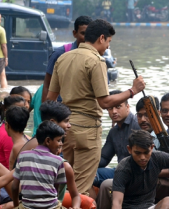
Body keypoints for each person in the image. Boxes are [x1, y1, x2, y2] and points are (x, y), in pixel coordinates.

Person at [47, 19, 145, 195]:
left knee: (64, 180)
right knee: (82, 187)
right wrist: (133, 90)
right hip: (87, 129)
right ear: (101, 38)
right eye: (108, 42)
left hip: (65, 129)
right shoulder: (96, 61)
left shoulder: (62, 58)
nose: (107, 47)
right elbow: (105, 102)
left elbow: (50, 99)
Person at [93, 90, 140, 191]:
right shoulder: (113, 132)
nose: (114, 111)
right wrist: (84, 163)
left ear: (127, 107)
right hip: (119, 171)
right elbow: (104, 158)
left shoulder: (137, 125)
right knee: (89, 174)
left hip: (136, 174)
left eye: (118, 107)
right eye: (110, 108)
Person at [42, 16, 92, 104]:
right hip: (62, 108)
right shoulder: (59, 54)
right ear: (74, 33)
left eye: (89, 34)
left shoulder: (96, 58)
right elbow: (47, 85)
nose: (86, 38)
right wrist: (45, 112)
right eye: (83, 33)